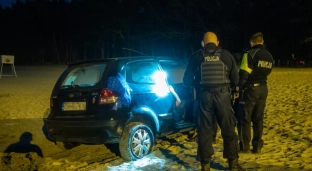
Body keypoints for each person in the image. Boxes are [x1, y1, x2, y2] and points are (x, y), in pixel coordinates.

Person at [183, 32, 244, 171]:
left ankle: (205, 165)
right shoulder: (226, 55)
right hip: (223, 97)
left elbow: (186, 81)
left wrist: (196, 83)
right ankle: (233, 164)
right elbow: (235, 79)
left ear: (203, 43)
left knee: (205, 131)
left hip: (204, 97)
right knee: (228, 129)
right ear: (217, 42)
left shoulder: (196, 56)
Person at [236, 32, 273, 154]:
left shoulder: (249, 54)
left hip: (250, 89)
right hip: (263, 88)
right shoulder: (269, 55)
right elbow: (268, 71)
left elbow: (243, 74)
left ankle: (244, 146)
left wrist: (239, 88)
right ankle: (257, 146)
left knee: (245, 118)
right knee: (258, 118)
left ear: (252, 42)